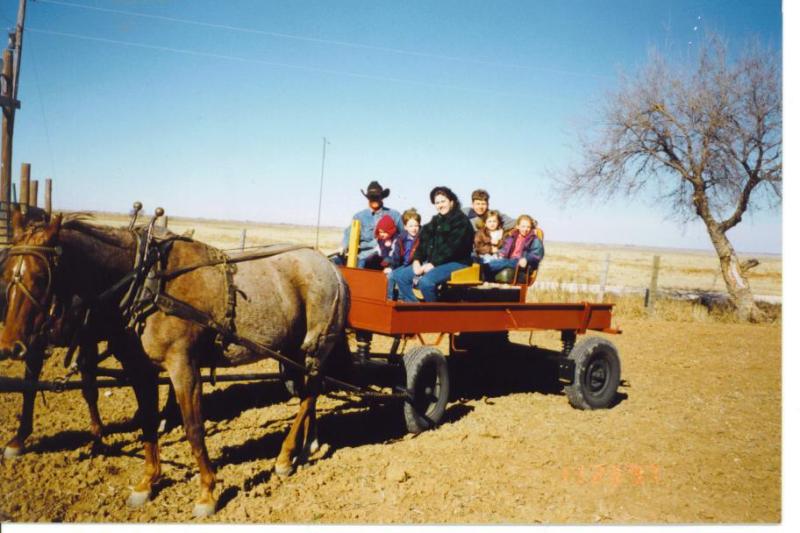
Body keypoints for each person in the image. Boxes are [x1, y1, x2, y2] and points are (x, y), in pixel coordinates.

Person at [392, 186, 475, 302]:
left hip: (457, 262)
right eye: (437, 203)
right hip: (436, 262)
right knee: (400, 276)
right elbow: (423, 242)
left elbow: (452, 248)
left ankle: (434, 314)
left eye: (443, 201)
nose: (440, 205)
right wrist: (417, 260)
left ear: (451, 202)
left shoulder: (461, 221)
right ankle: (415, 308)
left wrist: (433, 264)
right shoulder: (435, 221)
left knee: (426, 282)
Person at [338, 181, 403, 268]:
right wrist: (343, 246)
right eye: (371, 197)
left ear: (382, 197)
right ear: (367, 198)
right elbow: (348, 234)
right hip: (364, 259)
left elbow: (404, 235)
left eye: (377, 197)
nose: (374, 200)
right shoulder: (359, 217)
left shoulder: (395, 215)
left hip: (387, 258)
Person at [385, 208, 422, 299]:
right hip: (404, 264)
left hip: (414, 265)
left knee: (402, 276)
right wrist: (391, 267)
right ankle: (389, 298)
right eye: (410, 226)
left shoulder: (421, 238)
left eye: (416, 226)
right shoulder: (401, 239)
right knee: (390, 276)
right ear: (405, 227)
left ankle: (402, 299)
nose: (414, 228)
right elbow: (396, 256)